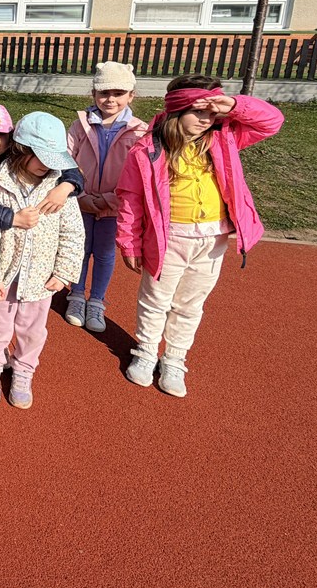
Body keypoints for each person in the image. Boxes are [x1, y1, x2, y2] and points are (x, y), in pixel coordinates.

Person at [116, 75, 284, 398]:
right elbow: (130, 199)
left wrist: (233, 106)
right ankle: (146, 351)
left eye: (211, 113)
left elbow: (272, 122)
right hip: (167, 239)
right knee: (155, 299)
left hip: (211, 240)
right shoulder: (147, 149)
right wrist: (129, 242)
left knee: (190, 304)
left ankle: (174, 358)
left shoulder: (225, 136)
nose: (206, 119)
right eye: (198, 112)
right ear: (177, 111)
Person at [0, 104, 81, 382]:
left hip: (15, 253)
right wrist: (13, 218)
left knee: (10, 310)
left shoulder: (27, 159)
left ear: (12, 138)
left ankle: (10, 358)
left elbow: (68, 168)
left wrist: (68, 185)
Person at [65, 62, 148, 334]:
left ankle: (97, 301)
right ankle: (76, 295)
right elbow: (66, 161)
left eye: (118, 93)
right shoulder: (80, 126)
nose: (110, 99)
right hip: (81, 203)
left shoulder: (140, 132)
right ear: (94, 94)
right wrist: (79, 195)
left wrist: (111, 200)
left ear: (131, 95)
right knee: (79, 250)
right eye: (104, 93)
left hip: (115, 207)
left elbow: (139, 175)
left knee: (104, 254)